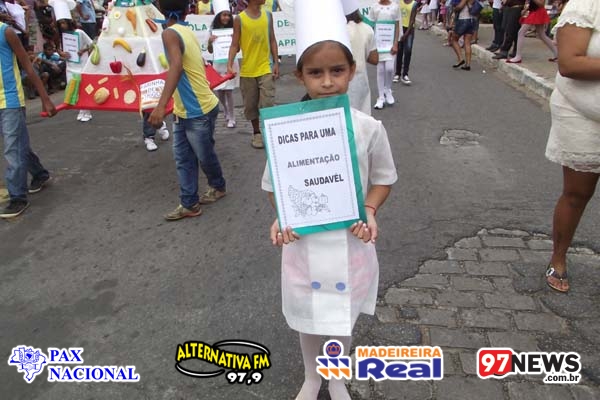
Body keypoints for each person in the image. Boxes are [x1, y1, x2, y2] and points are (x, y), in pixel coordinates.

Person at [262, 2, 397, 399]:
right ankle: (312, 377)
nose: (326, 82)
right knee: (308, 315)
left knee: (339, 316)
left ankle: (335, 377)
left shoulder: (368, 128)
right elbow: (274, 184)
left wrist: (369, 209)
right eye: (315, 73)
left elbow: (384, 179)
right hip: (303, 241)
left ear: (352, 71)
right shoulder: (287, 130)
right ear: (300, 75)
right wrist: (282, 216)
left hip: (350, 239)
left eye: (337, 71)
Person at [148, 0, 227, 221]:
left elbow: (176, 66)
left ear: (160, 8)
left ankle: (218, 186)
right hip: (187, 109)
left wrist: (161, 106)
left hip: (198, 109)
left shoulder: (170, 33)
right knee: (184, 158)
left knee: (203, 155)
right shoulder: (186, 30)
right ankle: (189, 203)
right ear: (186, 10)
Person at [544, 0, 600, 293]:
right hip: (582, 114)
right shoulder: (586, 4)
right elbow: (569, 63)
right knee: (578, 193)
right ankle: (559, 257)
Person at [0, 20, 56, 218]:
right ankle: (39, 173)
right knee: (18, 143)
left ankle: (18, 197)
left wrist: (45, 98)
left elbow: (28, 66)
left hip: (10, 100)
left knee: (12, 148)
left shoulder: (6, 32)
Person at [226, 0, 278, 149]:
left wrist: (276, 62)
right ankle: (257, 133)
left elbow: (272, 40)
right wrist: (230, 64)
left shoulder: (268, 16)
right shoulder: (239, 19)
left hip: (265, 68)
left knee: (268, 103)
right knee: (250, 106)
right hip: (248, 70)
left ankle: (269, 132)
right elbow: (235, 44)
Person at [207, 0, 239, 128]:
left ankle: (232, 116)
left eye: (228, 15)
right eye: (223, 15)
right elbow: (210, 50)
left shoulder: (234, 30)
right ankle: (225, 109)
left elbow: (238, 49)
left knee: (229, 91)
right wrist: (210, 42)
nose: (226, 18)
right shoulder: (212, 30)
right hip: (218, 64)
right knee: (220, 90)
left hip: (230, 63)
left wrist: (234, 40)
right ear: (218, 16)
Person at [343, 0, 378, 115]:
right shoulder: (367, 29)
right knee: (361, 119)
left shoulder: (333, 29)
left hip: (338, 85)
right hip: (360, 82)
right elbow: (374, 59)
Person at [369, 0, 400, 110]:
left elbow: (397, 26)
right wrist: (372, 45)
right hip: (378, 44)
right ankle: (381, 97)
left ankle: (388, 89)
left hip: (390, 44)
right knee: (380, 70)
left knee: (389, 68)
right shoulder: (374, 7)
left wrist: (395, 43)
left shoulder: (395, 7)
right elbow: (371, 27)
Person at [394, 0, 418, 85]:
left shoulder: (414, 4)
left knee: (408, 51)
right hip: (400, 28)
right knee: (399, 51)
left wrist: (406, 34)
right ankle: (397, 73)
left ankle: (405, 74)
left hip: (409, 30)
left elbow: (412, 20)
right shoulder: (399, 2)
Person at [450, 0, 477, 70]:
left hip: (463, 19)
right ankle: (468, 64)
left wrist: (455, 9)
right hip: (471, 20)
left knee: (454, 40)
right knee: (467, 42)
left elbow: (460, 7)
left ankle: (460, 59)